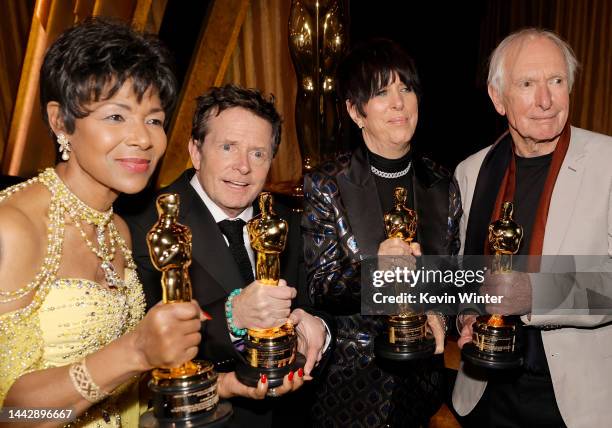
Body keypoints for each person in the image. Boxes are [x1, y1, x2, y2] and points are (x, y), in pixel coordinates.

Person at [0, 19, 278, 427]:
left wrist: (221, 385)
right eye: (116, 117)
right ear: (61, 122)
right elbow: (13, 415)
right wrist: (135, 351)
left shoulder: (119, 229)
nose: (143, 139)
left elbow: (129, 392)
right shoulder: (13, 226)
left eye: (153, 119)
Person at [126, 84, 331, 427]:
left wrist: (318, 326)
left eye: (258, 154)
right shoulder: (144, 225)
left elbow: (323, 302)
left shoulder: (290, 220)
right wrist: (233, 316)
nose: (243, 167)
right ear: (196, 151)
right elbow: (139, 343)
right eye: (228, 147)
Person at [452, 28, 612, 427]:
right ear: (497, 98)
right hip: (485, 391)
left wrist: (536, 293)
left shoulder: (608, 164)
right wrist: (468, 317)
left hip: (572, 401)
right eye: (527, 84)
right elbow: (462, 271)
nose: (546, 100)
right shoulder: (471, 172)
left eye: (556, 81)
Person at [302, 39, 458, 427]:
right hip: (349, 391)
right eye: (381, 93)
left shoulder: (442, 183)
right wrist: (377, 271)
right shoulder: (327, 184)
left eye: (406, 88)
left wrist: (440, 312)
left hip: (422, 388)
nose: (398, 103)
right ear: (356, 111)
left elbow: (452, 275)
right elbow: (321, 286)